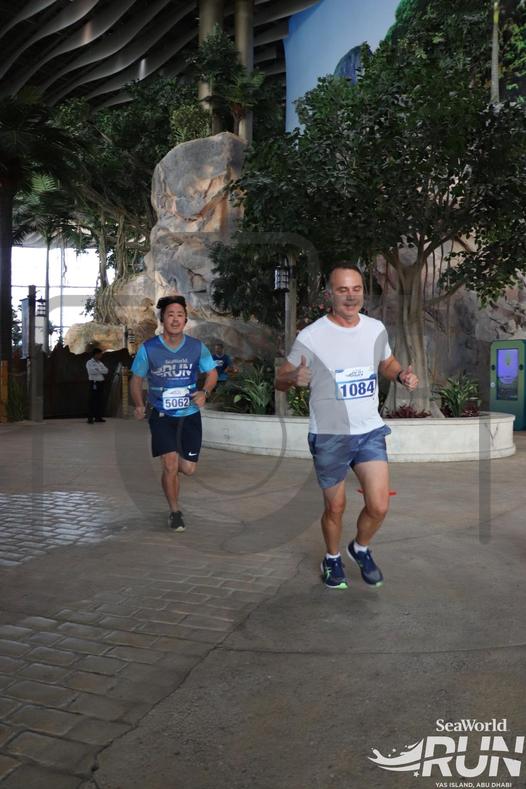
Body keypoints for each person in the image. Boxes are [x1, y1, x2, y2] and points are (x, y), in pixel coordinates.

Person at [276, 263, 419, 589]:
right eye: (343, 290)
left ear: (363, 292)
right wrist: (293, 377)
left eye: (356, 289)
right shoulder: (311, 336)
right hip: (330, 434)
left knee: (379, 505)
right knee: (336, 506)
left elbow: (385, 362)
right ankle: (332, 558)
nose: (351, 296)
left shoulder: (375, 328)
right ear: (330, 294)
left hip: (369, 431)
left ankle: (360, 548)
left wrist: (400, 374)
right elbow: (280, 379)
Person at [130, 296, 218, 532]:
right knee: (170, 464)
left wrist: (205, 392)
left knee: (187, 469)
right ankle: (175, 512)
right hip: (161, 413)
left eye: (180, 315)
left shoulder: (196, 347)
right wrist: (138, 404)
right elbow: (136, 379)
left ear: (185, 320)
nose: (175, 319)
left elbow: (212, 373)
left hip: (189, 414)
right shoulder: (149, 348)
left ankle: (172, 464)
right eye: (170, 314)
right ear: (163, 319)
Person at [86, 348, 108, 424]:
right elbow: (91, 372)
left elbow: (106, 371)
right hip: (94, 383)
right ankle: (90, 418)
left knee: (99, 400)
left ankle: (98, 417)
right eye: (100, 354)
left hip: (101, 383)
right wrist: (100, 370)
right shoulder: (89, 362)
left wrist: (98, 370)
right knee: (92, 400)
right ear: (95, 354)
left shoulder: (100, 363)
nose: (101, 355)